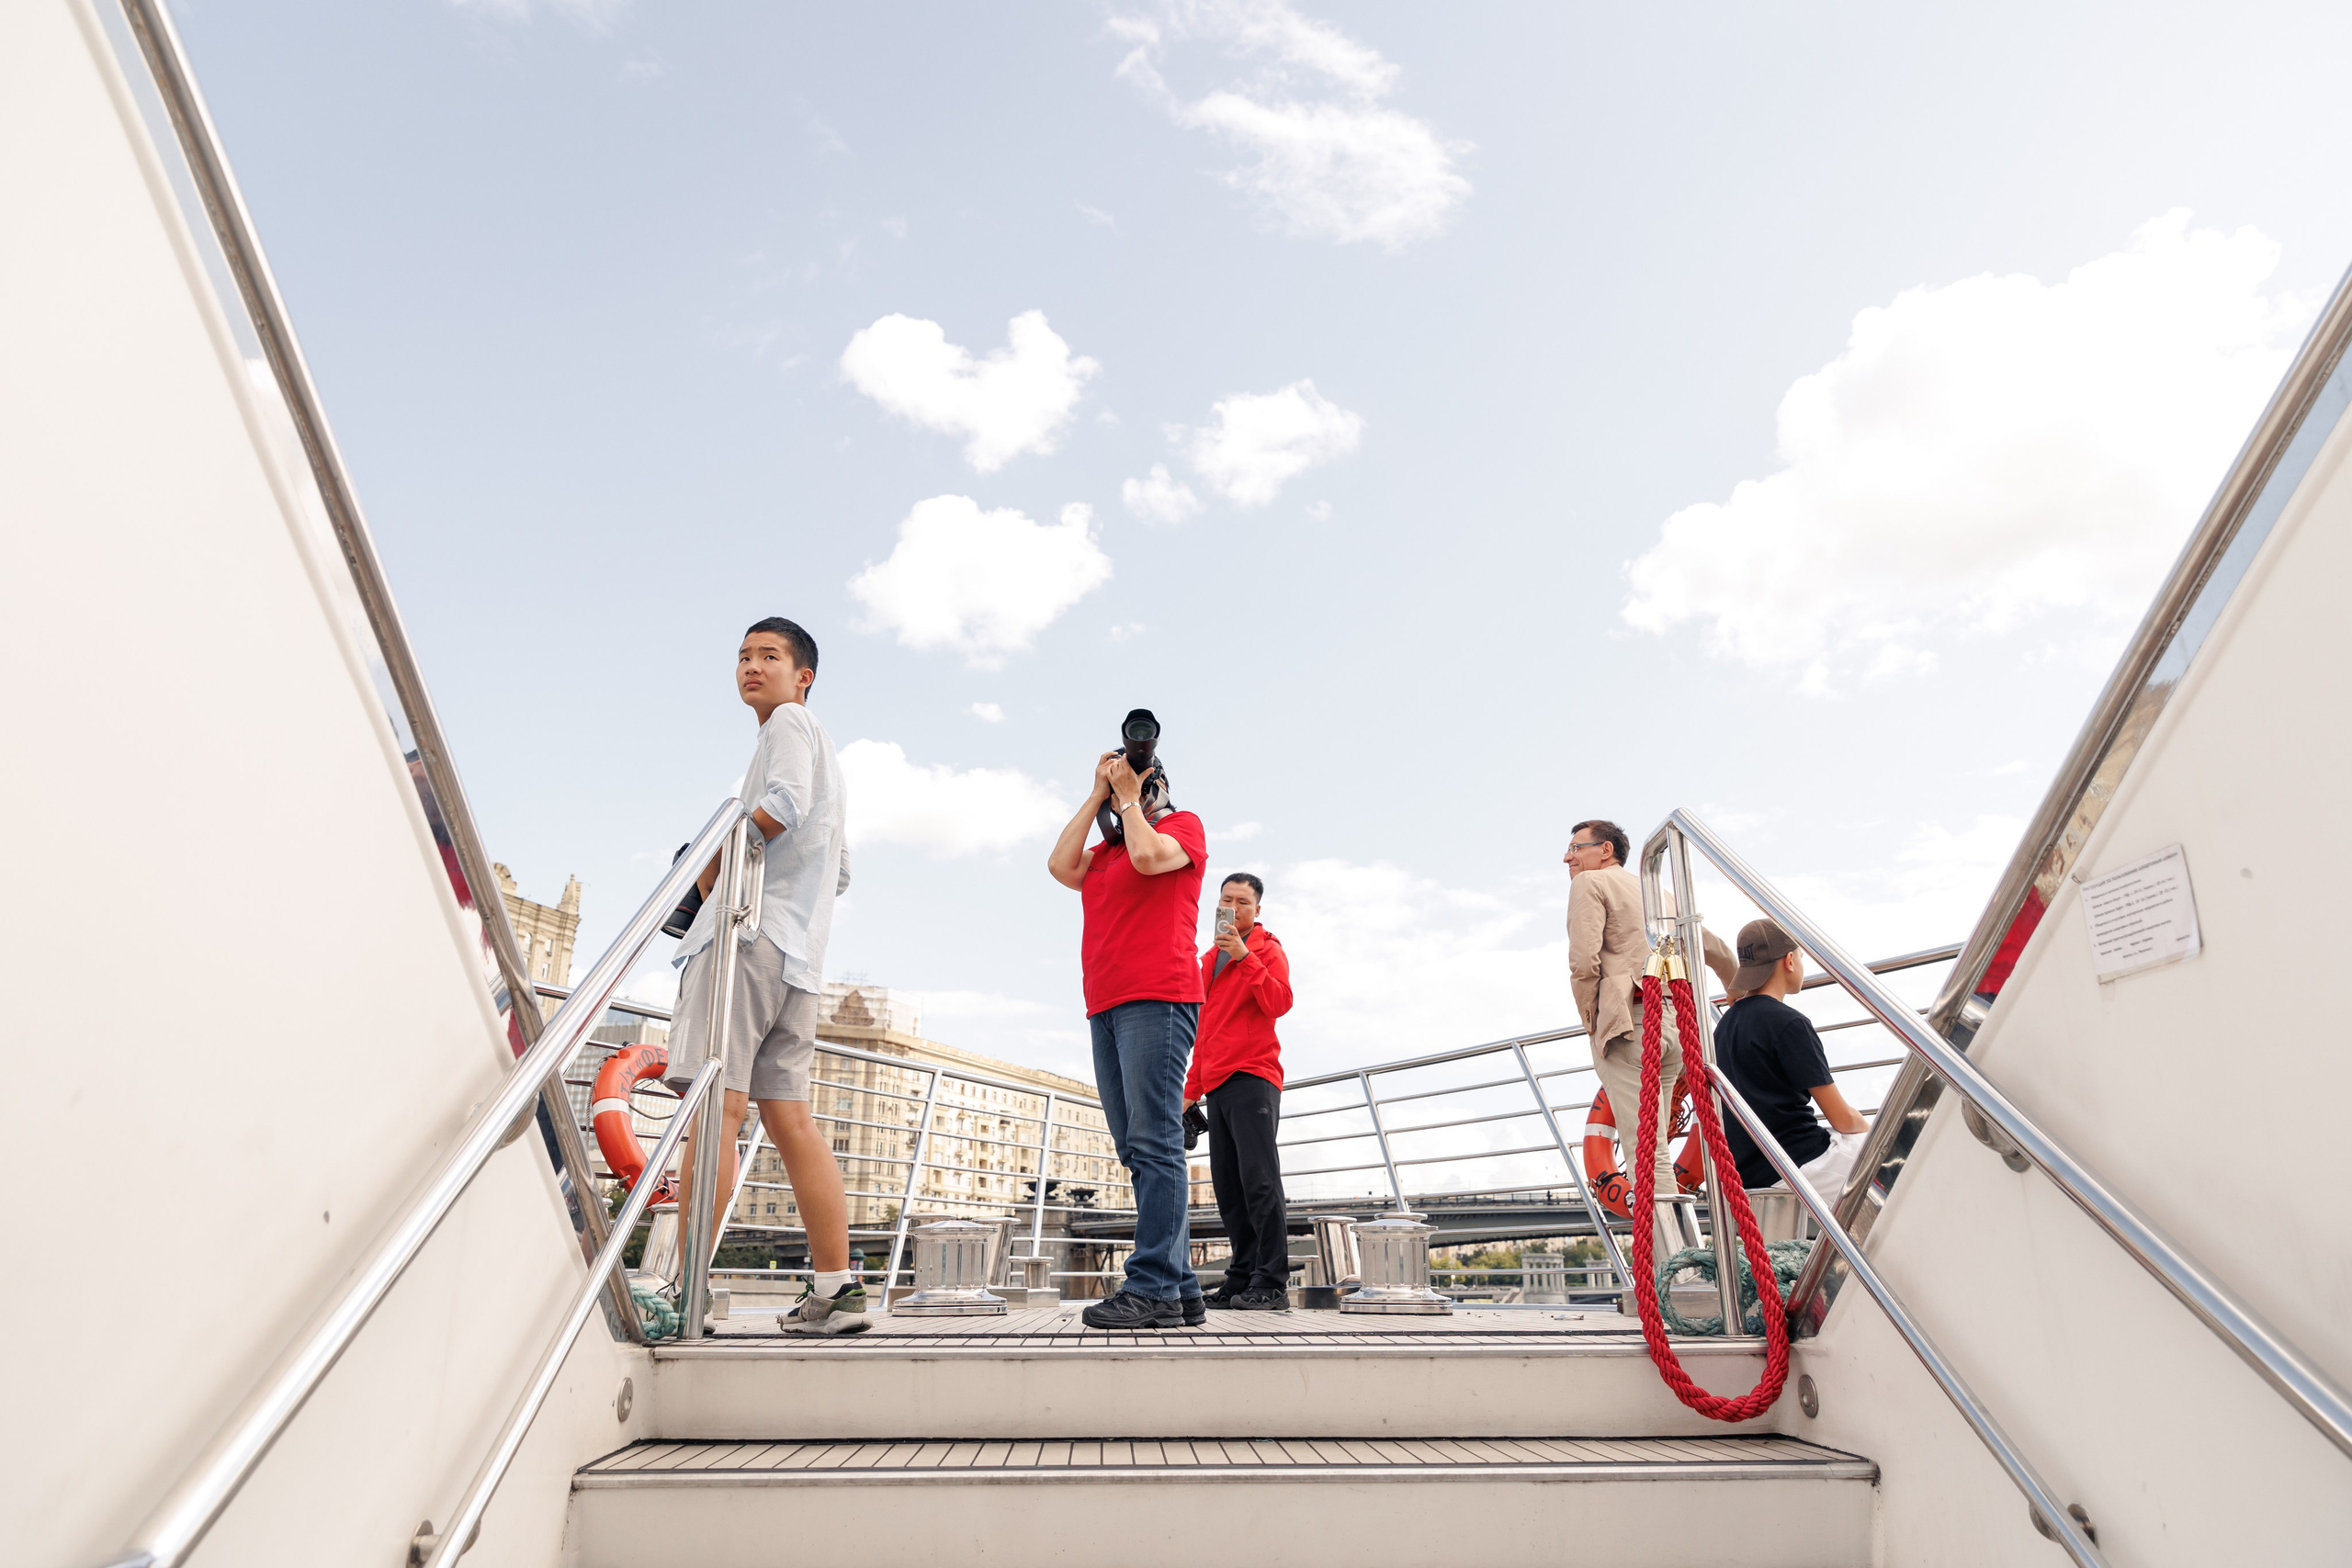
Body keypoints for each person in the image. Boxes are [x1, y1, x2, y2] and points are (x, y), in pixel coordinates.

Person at [666, 618, 864, 1335]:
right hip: (798, 955)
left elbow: (778, 807)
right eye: (744, 655)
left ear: (802, 673)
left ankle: (682, 1291)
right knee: (789, 1117)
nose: (752, 665)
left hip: (744, 939)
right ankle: (836, 1288)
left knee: (715, 1107)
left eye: (770, 655)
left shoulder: (785, 723)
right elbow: (837, 870)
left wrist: (711, 870)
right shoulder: (827, 753)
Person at [1047, 738, 1209, 1329]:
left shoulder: (1182, 830)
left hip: (1158, 998)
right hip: (1107, 1004)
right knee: (1138, 1148)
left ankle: (1155, 1288)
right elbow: (1060, 866)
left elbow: (1149, 859)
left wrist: (1131, 800)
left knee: (1158, 1142)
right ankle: (1183, 1286)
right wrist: (1098, 794)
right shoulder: (1103, 854)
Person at [1565, 818, 1734, 1248]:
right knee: (1654, 1146)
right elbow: (1713, 948)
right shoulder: (1657, 890)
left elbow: (1584, 962)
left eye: (1575, 848)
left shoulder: (1590, 884)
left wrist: (1594, 1021)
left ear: (1605, 850)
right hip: (1674, 1025)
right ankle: (1684, 1263)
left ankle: (1676, 1274)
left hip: (1632, 1025)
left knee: (1647, 1152)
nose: (1568, 858)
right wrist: (1737, 993)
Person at [1183, 874, 1295, 1311]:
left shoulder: (1267, 950)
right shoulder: (1207, 959)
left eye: (1243, 902)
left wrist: (1245, 956)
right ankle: (1242, 1276)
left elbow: (1279, 1002)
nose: (1234, 907)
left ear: (1257, 910)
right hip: (1216, 1083)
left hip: (1253, 1076)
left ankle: (1272, 1282)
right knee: (1229, 1188)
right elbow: (1204, 1031)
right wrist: (1190, 1091)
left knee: (1260, 1181)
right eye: (1226, 900)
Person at [1713, 919, 1872, 1200]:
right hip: (1795, 1163)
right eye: (1800, 956)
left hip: (1746, 1170)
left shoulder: (1724, 1026)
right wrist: (1875, 1132)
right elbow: (1843, 1119)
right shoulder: (1789, 1023)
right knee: (1894, 1160)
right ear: (1789, 961)